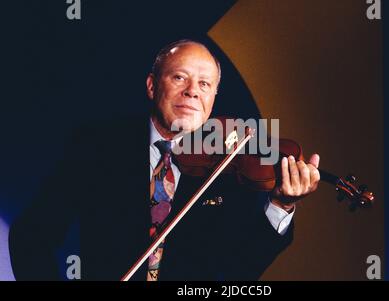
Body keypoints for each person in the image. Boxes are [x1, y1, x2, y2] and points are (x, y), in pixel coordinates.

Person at [9, 39, 320, 281]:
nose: (192, 92)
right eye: (179, 77)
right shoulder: (96, 146)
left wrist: (280, 205)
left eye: (204, 84)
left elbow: (241, 268)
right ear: (152, 85)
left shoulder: (229, 163)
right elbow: (31, 235)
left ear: (212, 101)